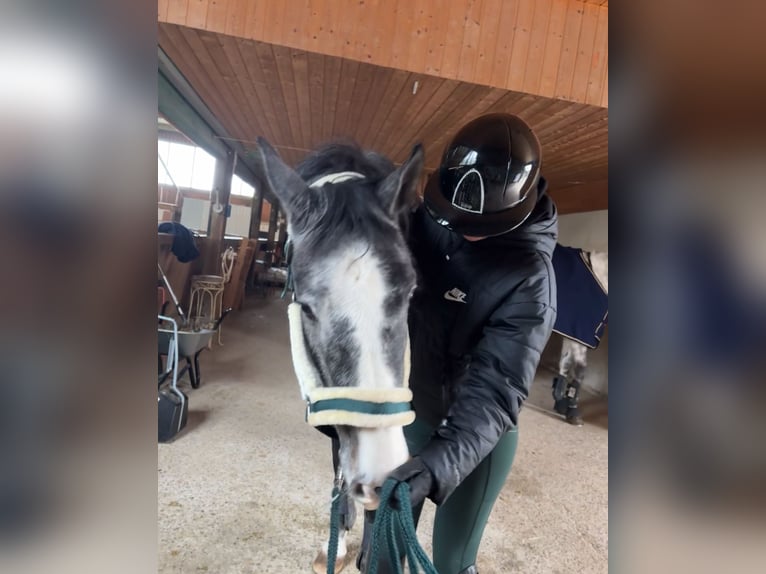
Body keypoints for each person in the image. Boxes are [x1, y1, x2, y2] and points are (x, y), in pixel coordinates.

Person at [354, 113, 558, 574]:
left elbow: (496, 388)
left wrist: (436, 466)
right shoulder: (431, 220)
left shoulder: (530, 279)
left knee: (451, 561)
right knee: (382, 550)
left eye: (477, 226)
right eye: (453, 219)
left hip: (480, 435)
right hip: (418, 411)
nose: (462, 228)